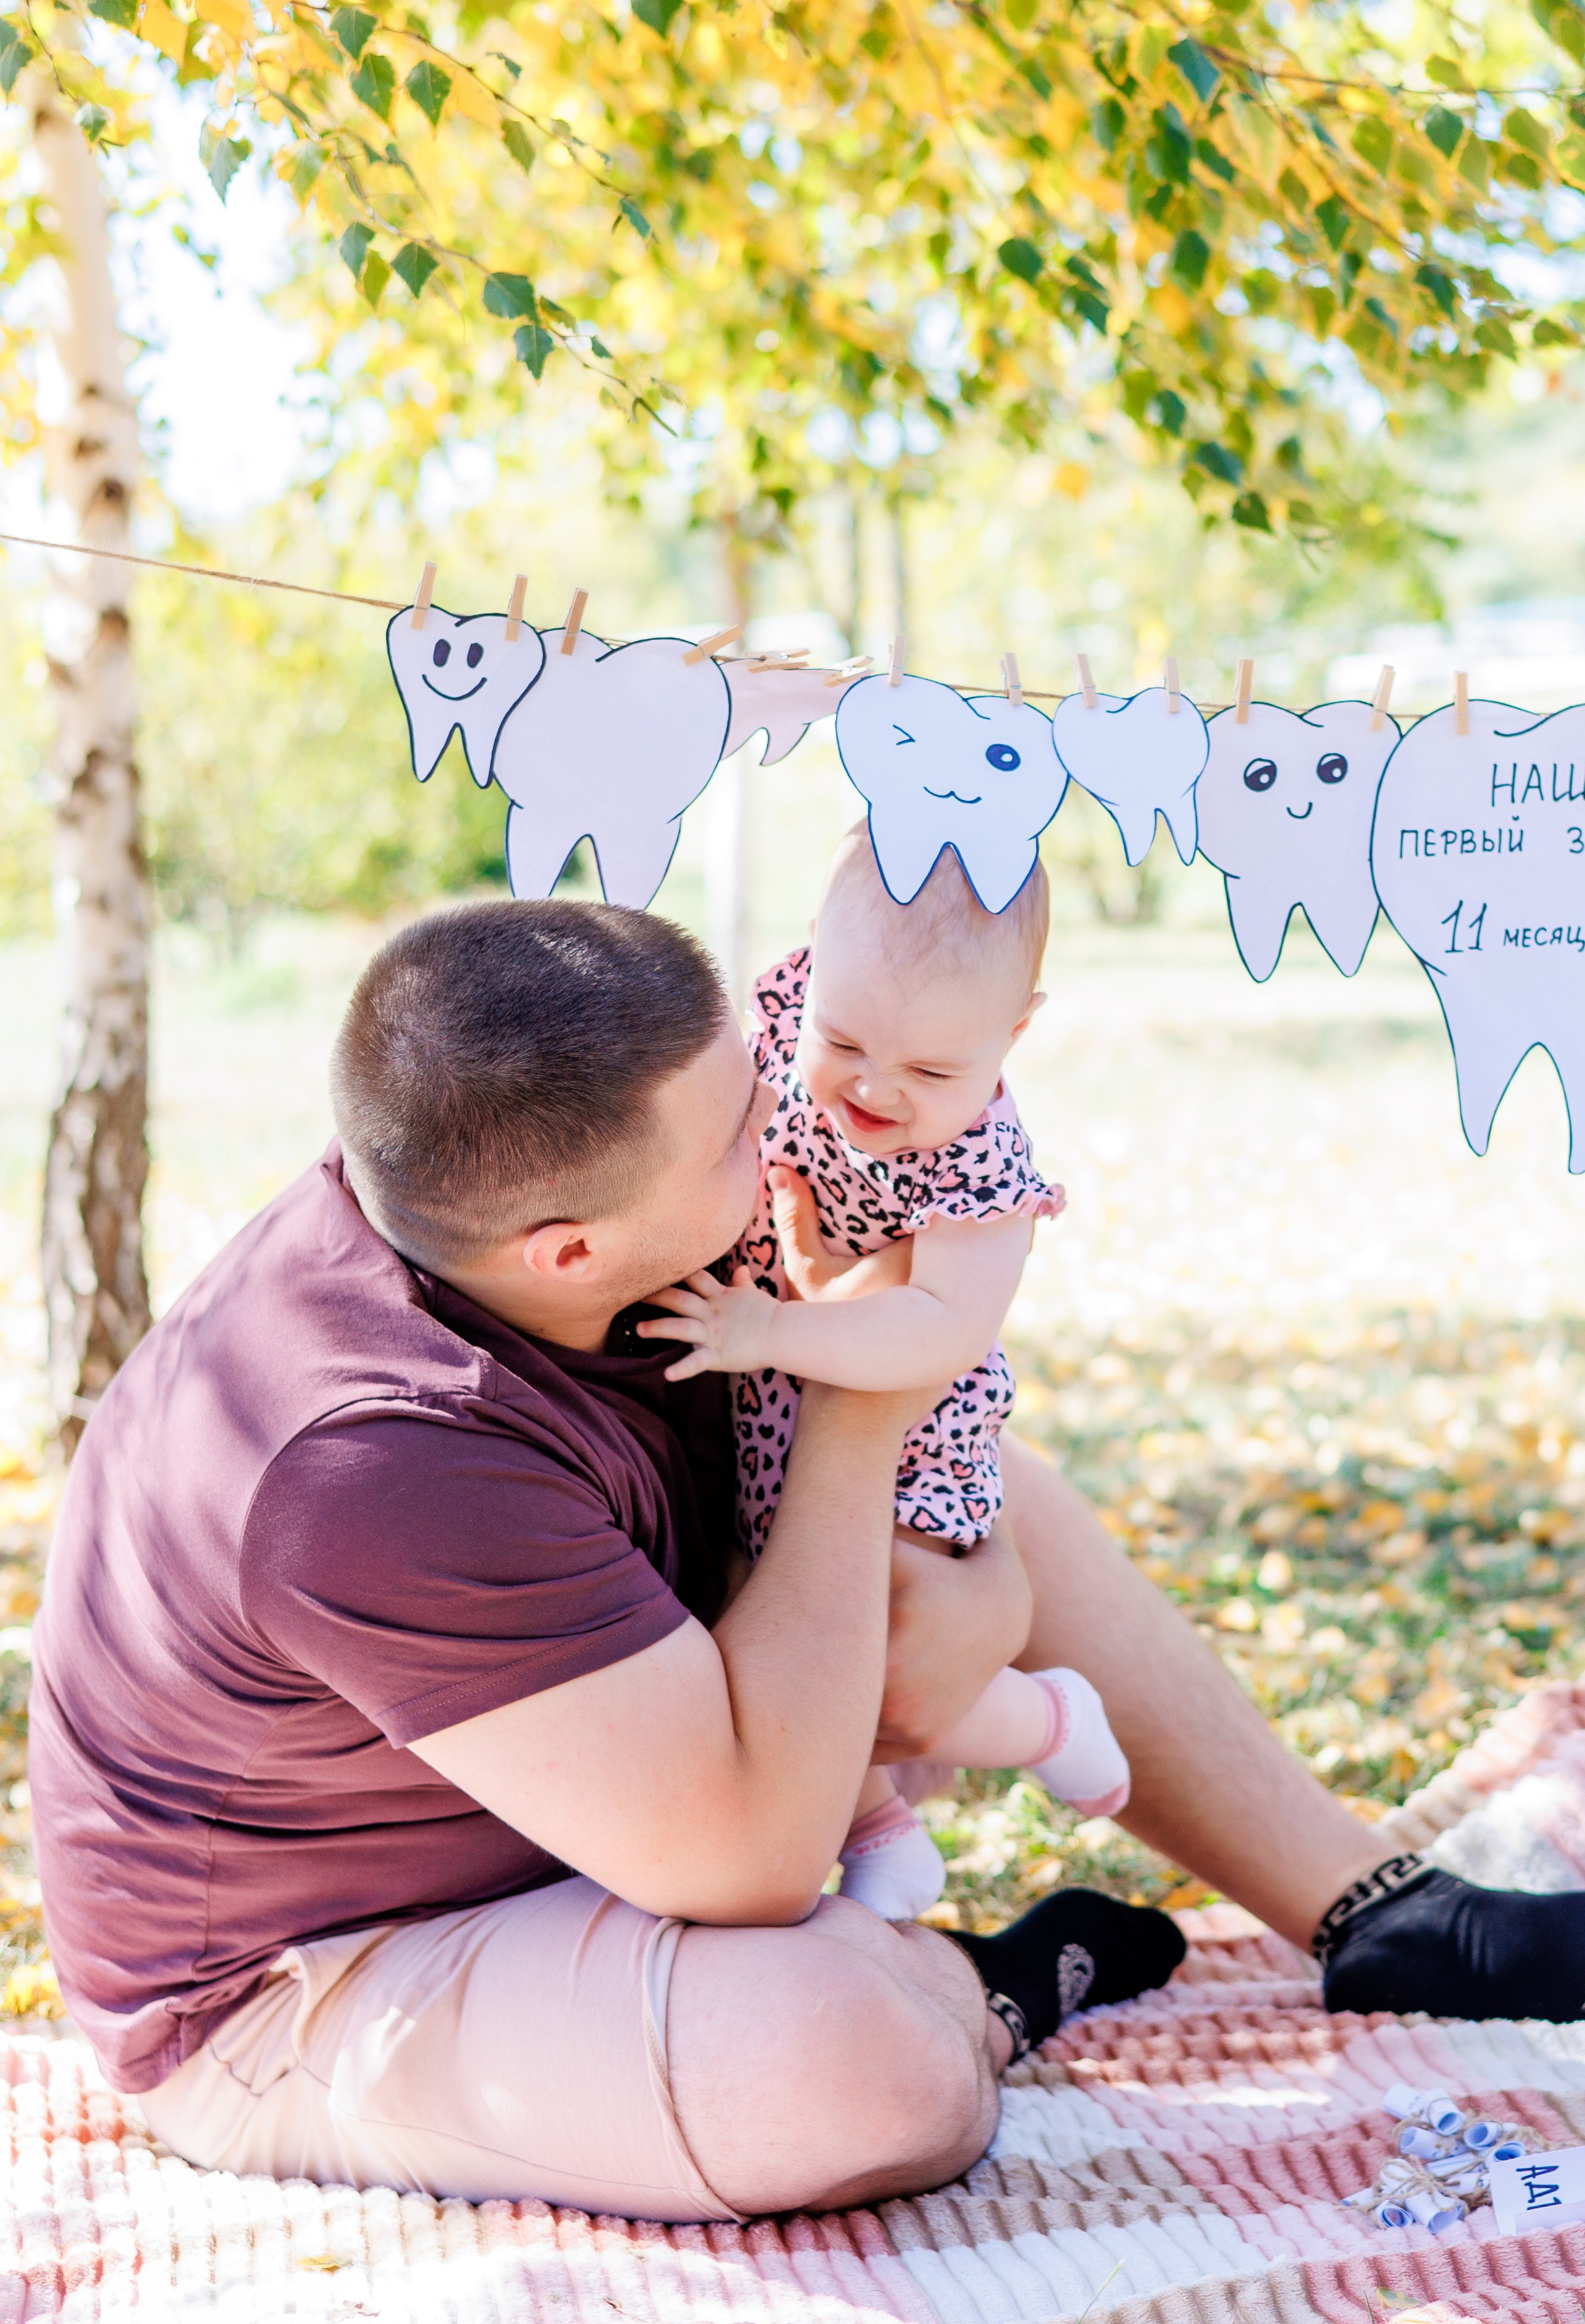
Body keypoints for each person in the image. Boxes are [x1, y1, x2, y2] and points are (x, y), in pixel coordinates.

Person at [28, 900, 1585, 2228]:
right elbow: (752, 1859)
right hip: (305, 1980)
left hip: (573, 1798)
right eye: (737, 1127)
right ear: (568, 1250)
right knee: (846, 2061)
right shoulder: (366, 1453)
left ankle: (1367, 1911)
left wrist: (961, 1580)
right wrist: (857, 1409)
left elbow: (913, 1529)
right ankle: (980, 1988)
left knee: (972, 1486)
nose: (789, 1116)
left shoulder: (527, 1189)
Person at [640, 829, 1131, 1922]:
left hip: (911, 1440)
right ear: (812, 960)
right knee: (759, 1645)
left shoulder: (982, 1165)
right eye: (847, 1038)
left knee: (885, 1658)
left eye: (931, 1070)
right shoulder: (775, 1017)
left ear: (1015, 1033)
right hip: (764, 1404)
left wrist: (771, 1328)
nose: (874, 1086)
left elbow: (939, 1328)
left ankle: (1047, 1718)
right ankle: (879, 1832)